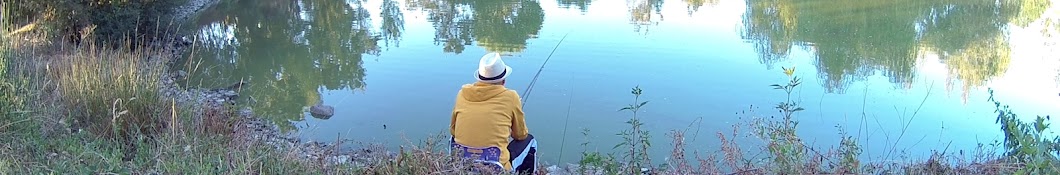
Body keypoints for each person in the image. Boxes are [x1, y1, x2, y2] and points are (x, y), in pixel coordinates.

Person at [450, 52, 537, 174]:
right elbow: (520, 135)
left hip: (463, 164)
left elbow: (453, 131)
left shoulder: (461, 94)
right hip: (497, 167)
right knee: (531, 141)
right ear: (503, 81)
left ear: (479, 78)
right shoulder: (511, 97)